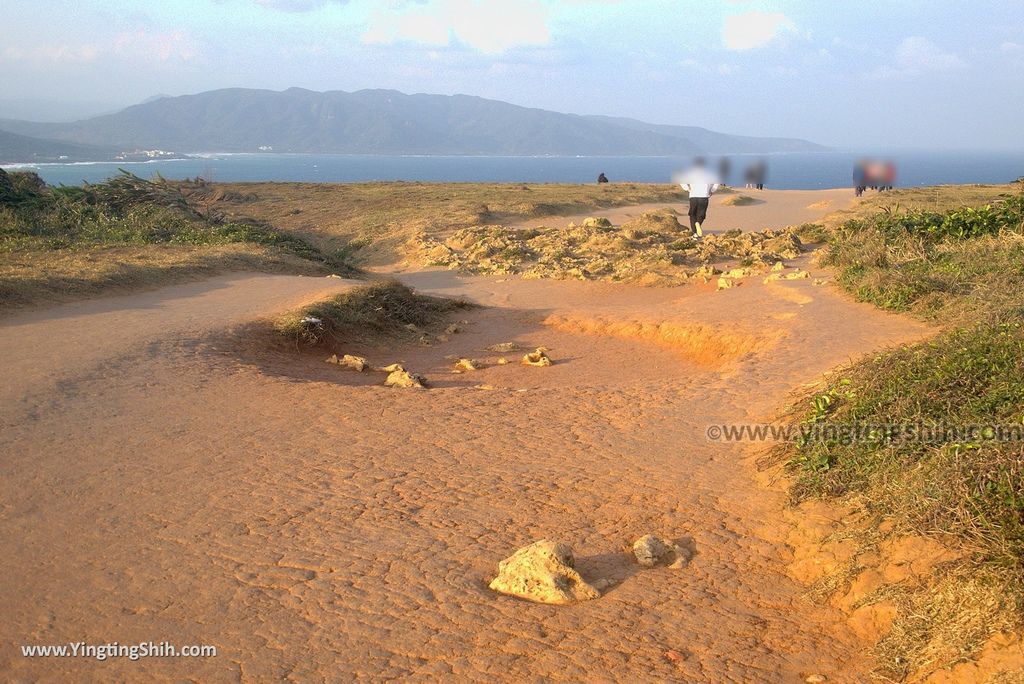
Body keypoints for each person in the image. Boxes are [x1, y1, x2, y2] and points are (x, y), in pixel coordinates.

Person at [678, 158, 720, 238]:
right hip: (704, 196)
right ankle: (698, 223)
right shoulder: (709, 173)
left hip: (693, 196)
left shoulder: (690, 173)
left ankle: (695, 233)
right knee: (701, 214)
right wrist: (712, 190)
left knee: (692, 214)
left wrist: (687, 188)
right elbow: (717, 182)